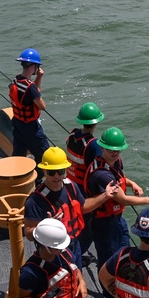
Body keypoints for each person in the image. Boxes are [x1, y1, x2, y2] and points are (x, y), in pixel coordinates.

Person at [24, 146, 118, 271]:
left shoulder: (71, 186)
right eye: (52, 172)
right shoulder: (35, 201)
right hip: (53, 252)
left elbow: (83, 207)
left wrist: (105, 195)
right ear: (44, 171)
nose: (57, 176)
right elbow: (29, 234)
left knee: (76, 277)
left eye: (61, 171)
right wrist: (47, 225)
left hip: (74, 245)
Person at [84, 127, 149, 269]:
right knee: (109, 259)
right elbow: (122, 199)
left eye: (118, 150)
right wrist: (148, 200)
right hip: (103, 224)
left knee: (124, 252)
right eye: (111, 150)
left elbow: (120, 178)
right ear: (102, 148)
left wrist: (133, 184)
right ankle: (108, 290)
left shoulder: (115, 162)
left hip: (117, 218)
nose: (115, 153)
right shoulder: (101, 174)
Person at [65, 102, 104, 255]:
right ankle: (75, 255)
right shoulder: (93, 145)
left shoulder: (71, 135)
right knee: (87, 229)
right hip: (83, 192)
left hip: (69, 185)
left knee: (74, 221)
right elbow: (98, 170)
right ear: (96, 122)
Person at [10, 48, 50, 171]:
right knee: (44, 157)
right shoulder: (30, 87)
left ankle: (18, 175)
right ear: (33, 66)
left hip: (18, 124)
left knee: (19, 154)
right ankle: (38, 181)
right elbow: (42, 105)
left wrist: (39, 78)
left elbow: (32, 92)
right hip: (31, 128)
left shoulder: (15, 81)